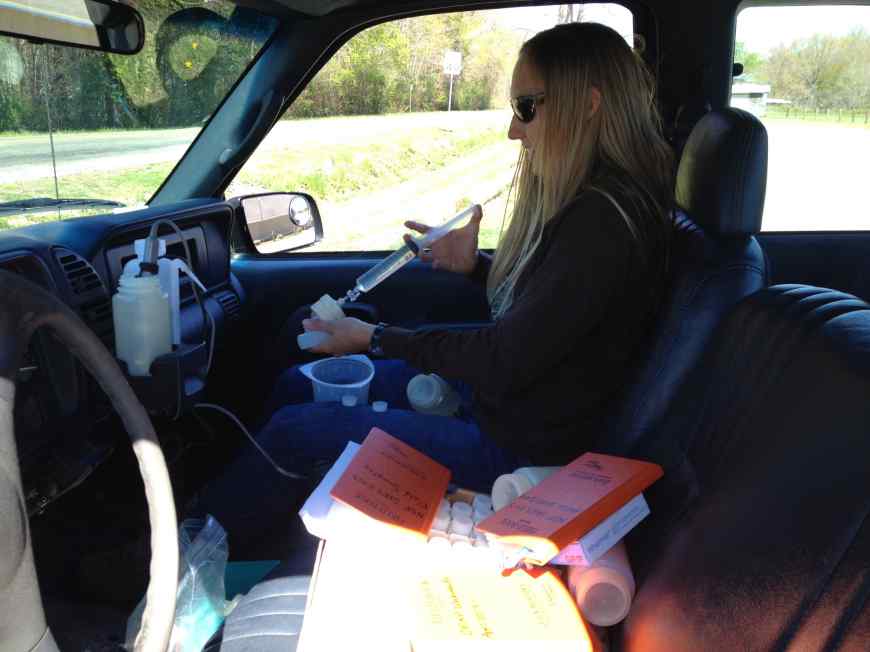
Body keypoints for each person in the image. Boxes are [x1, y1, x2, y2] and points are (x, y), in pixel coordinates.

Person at [195, 22, 675, 550]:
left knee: (292, 432)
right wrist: (475, 268)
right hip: (503, 404)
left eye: (527, 108)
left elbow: (507, 355)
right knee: (298, 384)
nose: (515, 131)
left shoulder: (603, 221)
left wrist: (375, 338)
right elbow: (553, 311)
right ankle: (248, 532)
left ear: (588, 105)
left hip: (514, 451)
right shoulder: (601, 207)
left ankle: (194, 554)